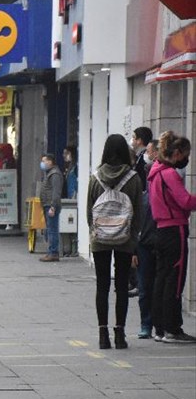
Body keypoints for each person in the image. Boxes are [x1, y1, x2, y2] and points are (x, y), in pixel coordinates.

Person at [87, 134, 142, 350]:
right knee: (121, 285)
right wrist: (132, 235)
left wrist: (95, 231)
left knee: (102, 285)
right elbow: (139, 212)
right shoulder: (133, 179)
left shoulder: (95, 177)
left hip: (100, 239)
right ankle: (120, 333)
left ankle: (102, 335)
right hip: (125, 238)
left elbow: (89, 211)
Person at [148, 131, 196, 344]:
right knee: (174, 281)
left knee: (161, 279)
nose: (186, 159)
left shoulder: (155, 172)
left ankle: (159, 328)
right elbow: (185, 201)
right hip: (174, 229)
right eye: (185, 154)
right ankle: (172, 328)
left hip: (160, 230)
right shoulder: (169, 174)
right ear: (177, 153)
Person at [136, 140, 159, 339]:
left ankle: (159, 325)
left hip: (159, 240)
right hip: (144, 242)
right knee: (144, 287)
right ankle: (146, 324)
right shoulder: (142, 198)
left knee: (158, 285)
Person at [39, 153, 63, 262]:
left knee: (52, 229)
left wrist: (53, 206)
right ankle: (51, 251)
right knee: (50, 229)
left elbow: (56, 192)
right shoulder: (49, 173)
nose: (42, 163)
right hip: (47, 204)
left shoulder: (55, 174)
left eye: (44, 161)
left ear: (50, 162)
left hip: (51, 205)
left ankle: (53, 252)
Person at [60, 145, 79, 256]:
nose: (64, 156)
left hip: (74, 198)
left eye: (66, 153)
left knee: (73, 223)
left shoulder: (76, 168)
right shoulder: (69, 167)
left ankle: (74, 248)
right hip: (70, 197)